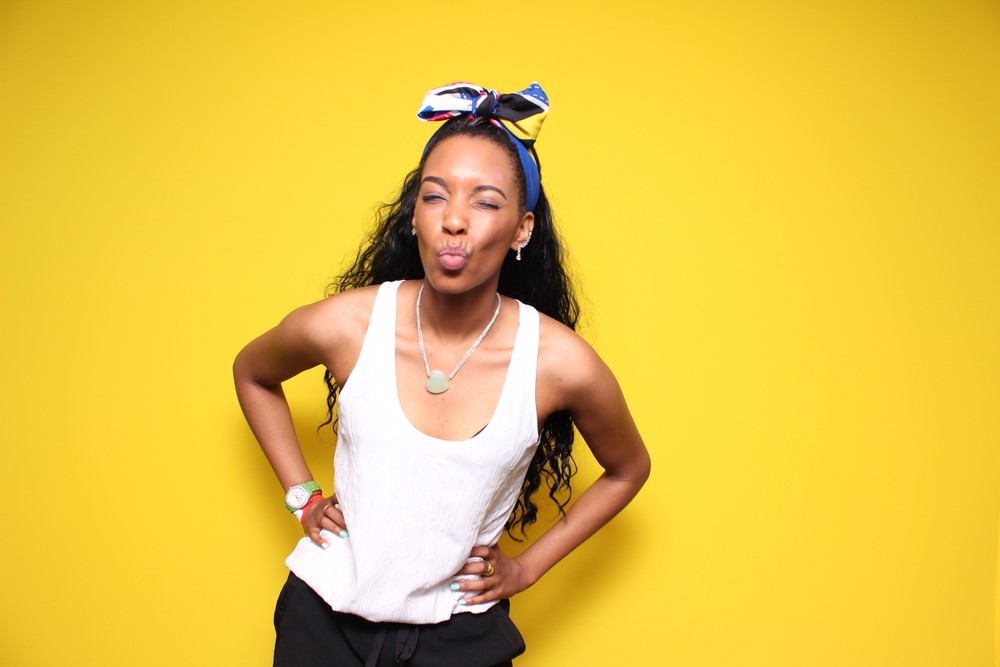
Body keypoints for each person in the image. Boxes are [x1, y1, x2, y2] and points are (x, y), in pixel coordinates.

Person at [233, 82, 651, 667]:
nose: (454, 220)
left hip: (460, 636)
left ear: (522, 229)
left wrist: (527, 568)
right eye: (435, 197)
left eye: (485, 202)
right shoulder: (349, 325)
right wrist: (303, 498)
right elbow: (252, 373)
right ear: (415, 216)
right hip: (321, 623)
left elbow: (629, 469)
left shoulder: (557, 362)